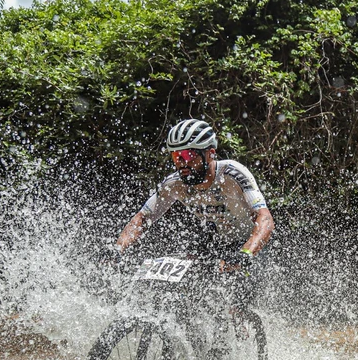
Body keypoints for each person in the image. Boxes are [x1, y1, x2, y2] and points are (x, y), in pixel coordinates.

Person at [113, 118, 274, 279]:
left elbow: (265, 218)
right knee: (167, 278)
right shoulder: (173, 183)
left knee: (237, 283)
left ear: (210, 153)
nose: (182, 163)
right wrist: (117, 250)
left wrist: (246, 253)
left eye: (188, 155)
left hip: (251, 244)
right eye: (176, 156)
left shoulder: (232, 174)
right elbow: (142, 218)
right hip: (215, 241)